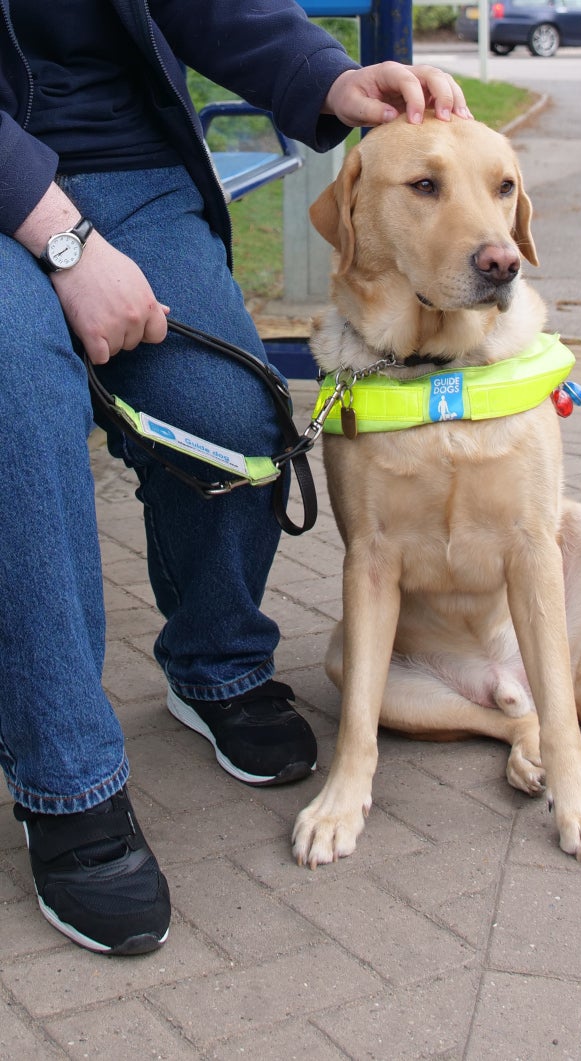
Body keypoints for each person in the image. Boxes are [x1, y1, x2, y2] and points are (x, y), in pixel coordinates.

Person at [0, 0, 470, 957]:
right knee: (22, 408)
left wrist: (325, 76)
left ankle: (215, 662)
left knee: (229, 414)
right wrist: (63, 243)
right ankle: (68, 781)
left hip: (128, 162)